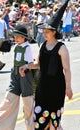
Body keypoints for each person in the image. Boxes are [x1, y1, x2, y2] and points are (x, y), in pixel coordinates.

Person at [19, 0, 73, 130]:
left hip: (56, 88)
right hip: (42, 87)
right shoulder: (43, 46)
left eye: (46, 32)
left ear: (54, 32)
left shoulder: (61, 48)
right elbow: (38, 64)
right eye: (43, 32)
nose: (44, 34)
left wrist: (68, 87)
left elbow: (67, 69)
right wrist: (26, 66)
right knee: (40, 121)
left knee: (54, 121)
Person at [0, 24, 34, 130]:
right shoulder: (16, 47)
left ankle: (31, 127)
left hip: (25, 75)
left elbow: (30, 63)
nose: (15, 38)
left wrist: (25, 68)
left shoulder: (27, 47)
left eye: (18, 36)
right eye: (14, 36)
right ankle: (0, 127)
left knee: (27, 102)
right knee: (9, 98)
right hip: (15, 74)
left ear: (24, 37)